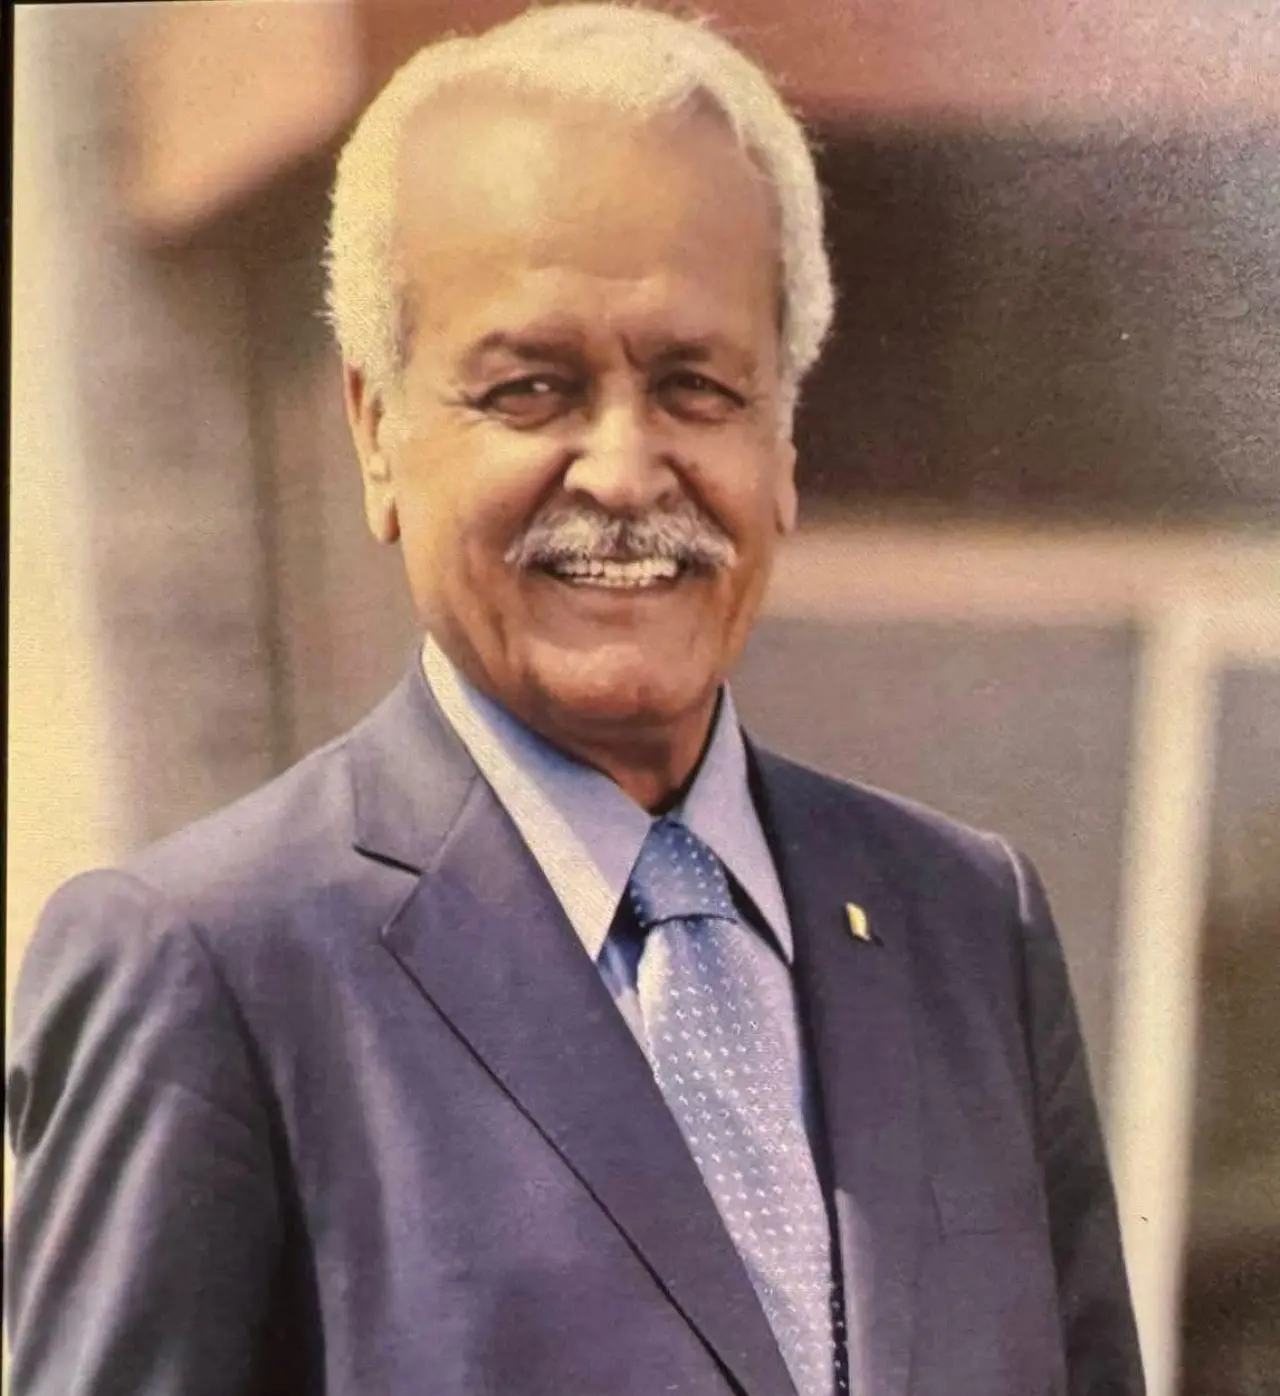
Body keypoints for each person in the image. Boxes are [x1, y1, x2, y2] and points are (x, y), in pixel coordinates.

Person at [5, 6, 1144, 1394]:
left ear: (784, 436)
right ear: (376, 431)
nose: (623, 470)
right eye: (532, 389)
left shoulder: (967, 927)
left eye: (696, 387)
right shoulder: (212, 973)